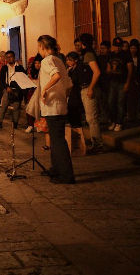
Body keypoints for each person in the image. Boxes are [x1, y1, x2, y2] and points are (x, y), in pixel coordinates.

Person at [37, 35, 75, 184]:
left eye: (39, 47)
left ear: (43, 47)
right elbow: (68, 85)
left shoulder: (47, 60)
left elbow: (57, 76)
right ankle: (56, 168)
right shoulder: (59, 60)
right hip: (59, 104)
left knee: (58, 141)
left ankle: (66, 174)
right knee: (55, 139)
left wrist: (45, 89)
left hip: (53, 106)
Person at [78, 34, 103, 150]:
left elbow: (97, 72)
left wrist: (91, 88)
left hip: (88, 87)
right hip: (88, 87)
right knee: (91, 118)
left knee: (91, 118)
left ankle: (97, 144)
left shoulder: (88, 55)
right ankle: (96, 142)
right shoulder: (87, 54)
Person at [105, 36, 133, 133]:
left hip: (122, 82)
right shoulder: (111, 55)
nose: (117, 48)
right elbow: (108, 67)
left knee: (120, 103)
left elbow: (130, 70)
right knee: (110, 102)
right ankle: (113, 120)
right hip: (113, 82)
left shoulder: (126, 55)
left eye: (119, 46)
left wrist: (127, 83)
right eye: (116, 46)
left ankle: (119, 123)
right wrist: (109, 71)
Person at [0, 50, 26, 129]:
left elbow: (24, 78)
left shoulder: (20, 67)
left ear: (14, 57)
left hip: (17, 90)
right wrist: (6, 87)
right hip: (8, 89)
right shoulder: (4, 68)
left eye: (11, 57)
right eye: (8, 57)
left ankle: (15, 123)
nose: (10, 59)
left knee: (16, 107)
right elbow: (2, 80)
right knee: (4, 106)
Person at [65, 52, 87, 156]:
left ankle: (79, 144)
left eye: (69, 60)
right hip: (71, 96)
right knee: (72, 118)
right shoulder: (71, 69)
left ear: (75, 60)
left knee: (76, 120)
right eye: (67, 60)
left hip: (76, 96)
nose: (67, 62)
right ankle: (74, 144)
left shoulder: (78, 69)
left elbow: (74, 82)